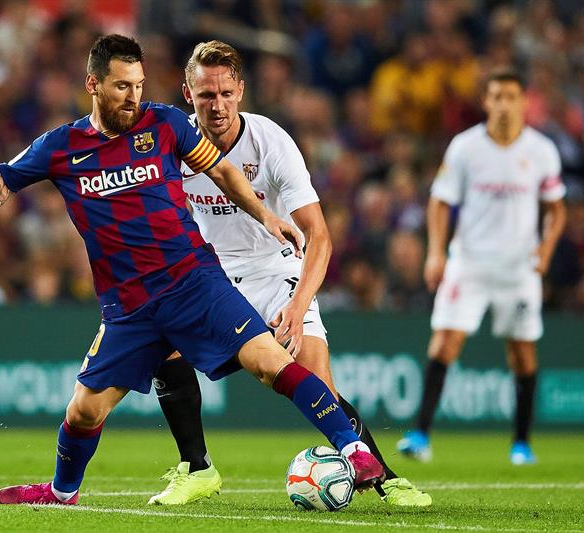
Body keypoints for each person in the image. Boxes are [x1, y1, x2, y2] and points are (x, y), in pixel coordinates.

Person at [0, 34, 384, 505]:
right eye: (122, 86)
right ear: (93, 84)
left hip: (194, 282)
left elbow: (223, 171)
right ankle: (62, 492)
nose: (134, 97)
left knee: (271, 363)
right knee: (84, 411)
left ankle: (355, 450)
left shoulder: (165, 124)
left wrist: (266, 215)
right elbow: (5, 178)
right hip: (128, 307)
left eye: (140, 85)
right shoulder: (61, 147)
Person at [147, 40, 431, 507]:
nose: (216, 105)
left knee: (317, 380)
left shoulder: (271, 142)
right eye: (205, 96)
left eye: (225, 93)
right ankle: (196, 468)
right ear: (187, 93)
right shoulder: (171, 147)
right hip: (207, 274)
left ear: (240, 90)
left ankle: (386, 480)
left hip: (273, 270)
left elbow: (319, 235)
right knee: (162, 342)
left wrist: (298, 308)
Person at [398, 68, 567, 465]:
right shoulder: (465, 147)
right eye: (497, 96)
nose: (504, 104)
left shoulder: (541, 151)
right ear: (486, 102)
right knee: (444, 342)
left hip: (518, 269)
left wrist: (545, 251)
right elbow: (440, 200)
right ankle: (420, 436)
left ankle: (521, 443)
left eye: (511, 96)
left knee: (522, 352)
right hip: (469, 263)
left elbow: (557, 210)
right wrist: (436, 252)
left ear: (524, 102)